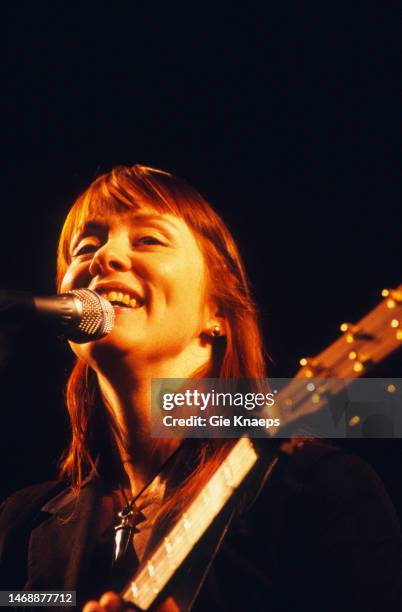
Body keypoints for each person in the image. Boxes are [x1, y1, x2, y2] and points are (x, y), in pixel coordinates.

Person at [1, 164, 402, 611]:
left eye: (149, 239)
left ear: (218, 312)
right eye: (86, 246)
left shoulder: (319, 490)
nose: (104, 258)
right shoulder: (20, 525)